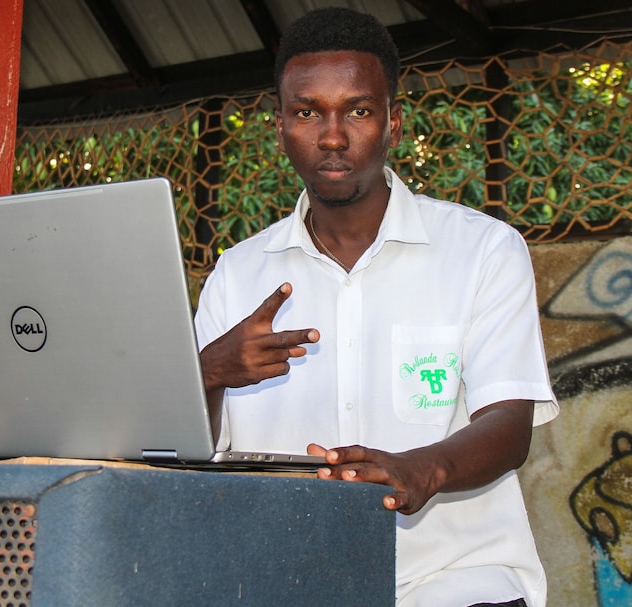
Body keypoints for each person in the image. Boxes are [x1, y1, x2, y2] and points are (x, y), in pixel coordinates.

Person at [193, 7, 559, 607]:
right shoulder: (238, 274)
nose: (333, 137)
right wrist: (208, 373)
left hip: (455, 581)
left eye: (358, 111)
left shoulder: (483, 250)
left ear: (394, 124)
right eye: (307, 112)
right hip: (284, 583)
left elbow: (509, 425)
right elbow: (193, 453)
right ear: (280, 128)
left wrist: (422, 470)